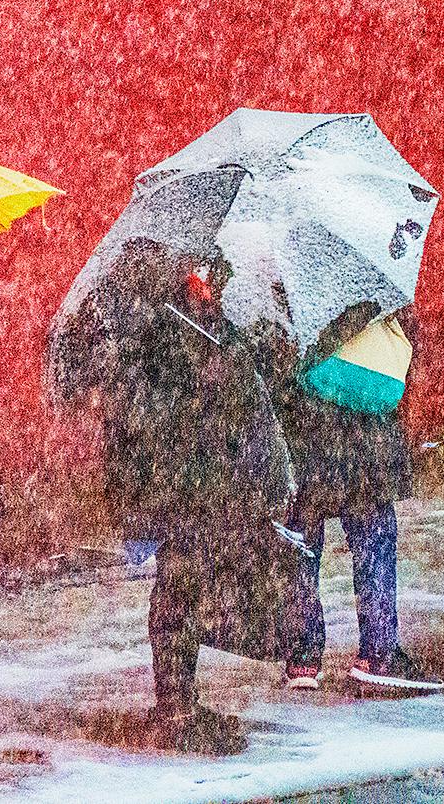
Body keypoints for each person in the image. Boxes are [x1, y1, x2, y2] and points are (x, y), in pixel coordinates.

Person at [74, 245, 297, 754]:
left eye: (217, 276)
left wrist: (246, 361)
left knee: (190, 583)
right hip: (175, 483)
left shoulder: (197, 324)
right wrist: (199, 395)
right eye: (206, 275)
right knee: (180, 583)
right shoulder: (150, 329)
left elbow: (239, 383)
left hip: (205, 481)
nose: (213, 285)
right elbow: (141, 411)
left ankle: (180, 696)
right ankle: (173, 702)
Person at [276, 304, 442, 696]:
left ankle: (302, 656)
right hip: (365, 439)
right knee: (374, 537)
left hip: (304, 432)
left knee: (300, 541)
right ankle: (378, 653)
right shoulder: (370, 274)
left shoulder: (286, 276)